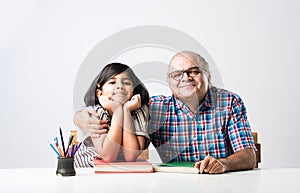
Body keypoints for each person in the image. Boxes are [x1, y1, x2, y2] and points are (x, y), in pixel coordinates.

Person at [74, 51, 256, 174]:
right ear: (169, 82)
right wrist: (80, 117)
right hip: (174, 184)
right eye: (177, 74)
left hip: (224, 184)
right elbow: (117, 109)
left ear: (208, 76)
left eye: (193, 71)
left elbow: (249, 156)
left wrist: (224, 164)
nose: (185, 78)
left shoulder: (229, 102)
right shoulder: (155, 108)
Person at [74, 63, 150, 167]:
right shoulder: (95, 113)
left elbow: (130, 156)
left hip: (118, 172)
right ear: (99, 93)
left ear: (134, 90)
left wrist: (125, 110)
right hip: (87, 170)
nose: (119, 86)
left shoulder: (139, 112)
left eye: (126, 83)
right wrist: (118, 110)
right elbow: (108, 156)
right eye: (112, 82)